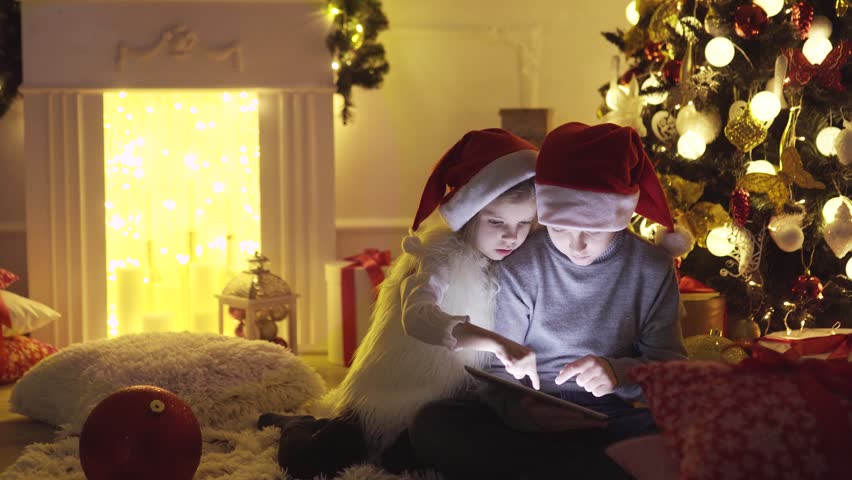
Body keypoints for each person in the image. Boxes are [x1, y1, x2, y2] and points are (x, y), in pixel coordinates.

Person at [409, 122, 690, 479]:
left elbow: (671, 372)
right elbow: (496, 372)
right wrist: (525, 414)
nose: (577, 245)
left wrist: (617, 373)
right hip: (529, 419)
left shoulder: (651, 269)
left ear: (620, 217)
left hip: (610, 419)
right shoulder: (522, 261)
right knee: (433, 422)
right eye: (559, 228)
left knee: (685, 436)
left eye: (593, 230)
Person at [258, 128, 542, 479]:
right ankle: (298, 424)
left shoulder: (517, 263)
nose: (511, 236)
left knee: (408, 460)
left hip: (448, 404)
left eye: (523, 223)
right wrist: (496, 343)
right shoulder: (437, 257)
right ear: (469, 215)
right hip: (389, 397)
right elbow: (419, 317)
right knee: (310, 461)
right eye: (496, 221)